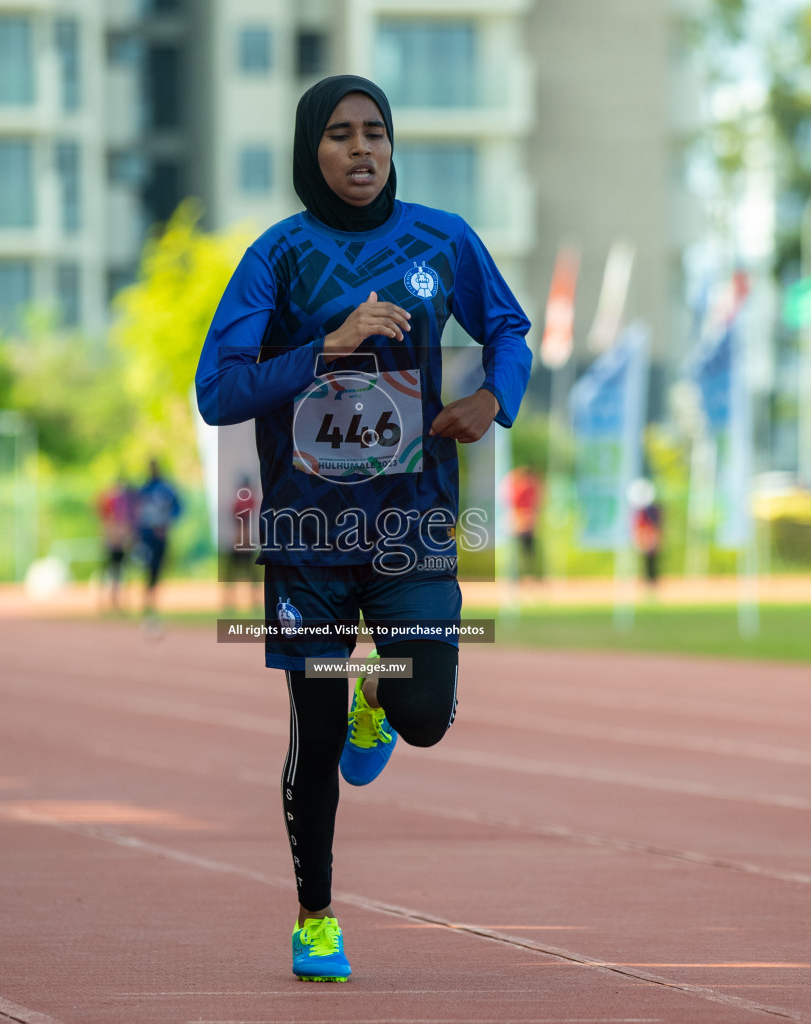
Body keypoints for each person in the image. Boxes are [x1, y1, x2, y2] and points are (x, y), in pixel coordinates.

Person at [195, 75, 531, 982]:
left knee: (423, 713)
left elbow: (509, 328)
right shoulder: (279, 257)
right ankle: (316, 919)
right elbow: (218, 390)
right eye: (339, 134)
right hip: (308, 540)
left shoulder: (441, 239)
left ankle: (381, 705)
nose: (360, 149)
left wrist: (492, 398)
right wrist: (327, 350)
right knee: (314, 723)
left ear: (392, 143)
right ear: (312, 148)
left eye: (374, 132)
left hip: (412, 526)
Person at [132, 460, 181, 626]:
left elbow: (178, 508)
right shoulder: (144, 489)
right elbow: (137, 512)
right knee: (149, 568)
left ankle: (152, 601)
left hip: (160, 536)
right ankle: (148, 602)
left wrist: (166, 524)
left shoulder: (166, 489)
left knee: (158, 568)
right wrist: (137, 533)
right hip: (147, 536)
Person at [222, 475, 259, 613]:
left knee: (234, 574)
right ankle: (250, 601)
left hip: (239, 541)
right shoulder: (250, 501)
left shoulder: (239, 501)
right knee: (250, 574)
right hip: (246, 541)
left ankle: (230, 601)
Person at [96, 480, 135, 612]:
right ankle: (108, 600)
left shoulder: (123, 508)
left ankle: (119, 601)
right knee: (111, 572)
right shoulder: (112, 505)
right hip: (113, 545)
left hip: (119, 545)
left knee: (120, 573)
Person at [503, 464, 542, 580]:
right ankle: (522, 575)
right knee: (524, 552)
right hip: (522, 522)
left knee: (525, 552)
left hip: (525, 522)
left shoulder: (526, 487)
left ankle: (525, 575)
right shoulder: (523, 487)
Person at [630, 478, 663, 594]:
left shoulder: (651, 511)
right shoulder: (642, 511)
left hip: (650, 537)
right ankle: (647, 581)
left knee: (652, 562)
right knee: (646, 561)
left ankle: (652, 582)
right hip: (645, 537)